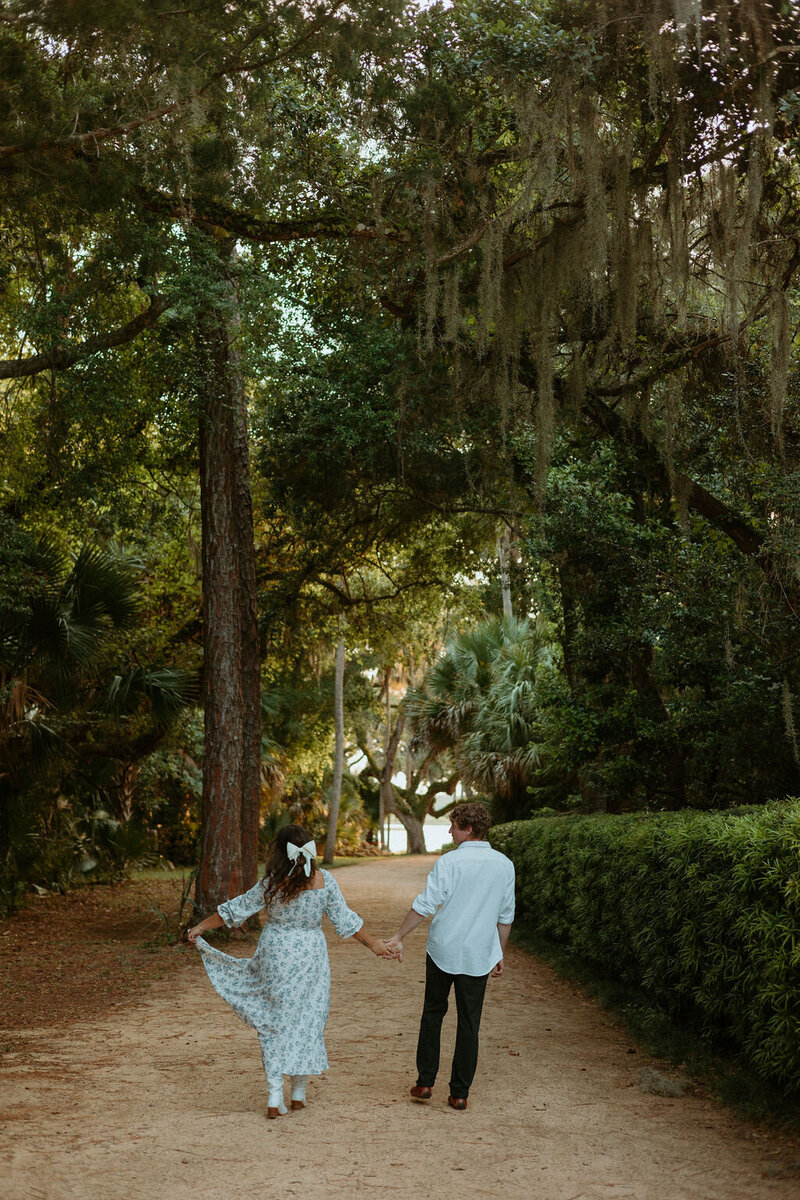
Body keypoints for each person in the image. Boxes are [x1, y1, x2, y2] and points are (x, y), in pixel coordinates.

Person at [188, 824, 394, 1119]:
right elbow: (346, 921)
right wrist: (374, 944)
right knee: (308, 1018)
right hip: (310, 956)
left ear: (278, 853)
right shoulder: (325, 881)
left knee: (274, 1021)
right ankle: (298, 1092)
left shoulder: (271, 883)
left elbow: (236, 909)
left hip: (276, 954)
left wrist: (200, 927)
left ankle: (275, 1094)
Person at [385, 802, 514, 1111]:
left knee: (433, 1013)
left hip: (443, 949)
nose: (449, 830)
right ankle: (459, 1093)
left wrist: (400, 936)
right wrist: (500, 952)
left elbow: (425, 905)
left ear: (468, 829)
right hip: (478, 954)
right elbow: (505, 915)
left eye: (453, 825)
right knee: (470, 1023)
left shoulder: (449, 862)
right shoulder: (504, 864)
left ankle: (425, 1082)